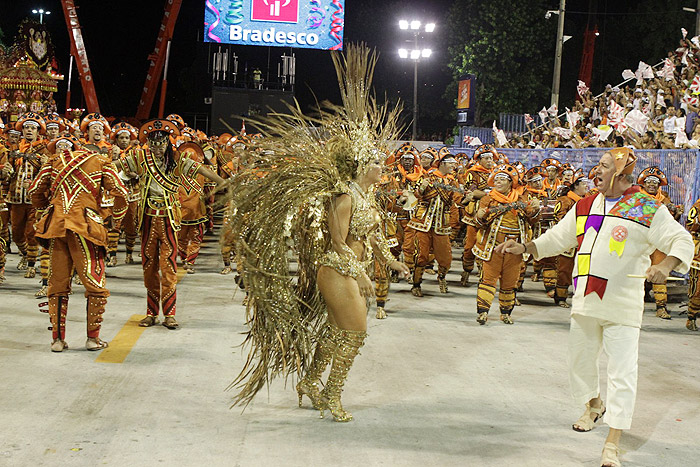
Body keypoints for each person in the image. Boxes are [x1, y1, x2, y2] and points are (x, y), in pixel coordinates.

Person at [227, 44, 409, 422]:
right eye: (376, 162)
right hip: (337, 269)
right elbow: (340, 242)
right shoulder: (344, 198)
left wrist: (392, 263)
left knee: (334, 331)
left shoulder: (367, 197)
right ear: (361, 166)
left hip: (351, 270)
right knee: (354, 333)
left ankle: (310, 383)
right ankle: (331, 396)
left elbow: (371, 238)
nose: (383, 166)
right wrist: (360, 274)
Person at [496, 148, 693, 467]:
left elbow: (682, 241)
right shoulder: (585, 205)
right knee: (580, 362)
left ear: (620, 173)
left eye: (601, 166)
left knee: (622, 373)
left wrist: (667, 266)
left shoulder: (645, 207)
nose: (593, 172)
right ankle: (593, 405)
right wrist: (526, 247)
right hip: (585, 300)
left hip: (623, 307)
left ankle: (613, 443)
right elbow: (558, 238)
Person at [119, 119, 224, 329]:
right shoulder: (140, 157)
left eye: (161, 144)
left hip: (168, 219)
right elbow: (116, 167)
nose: (157, 148)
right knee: (149, 267)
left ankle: (169, 314)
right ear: (148, 143)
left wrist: (225, 182)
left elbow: (203, 170)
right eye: (153, 144)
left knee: (168, 266)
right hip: (147, 218)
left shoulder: (178, 160)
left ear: (168, 143)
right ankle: (151, 313)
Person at [29, 135, 128, 352]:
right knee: (95, 283)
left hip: (57, 227)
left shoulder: (53, 161)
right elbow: (121, 193)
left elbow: (34, 190)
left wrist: (48, 209)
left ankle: (57, 340)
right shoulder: (102, 162)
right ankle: (92, 339)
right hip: (86, 228)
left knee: (57, 284)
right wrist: (111, 217)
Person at [472, 164, 539, 324]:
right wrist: (479, 216)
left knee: (510, 281)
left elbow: (532, 220)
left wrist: (536, 209)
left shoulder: (522, 199)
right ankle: (483, 312)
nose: (498, 182)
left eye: (502, 179)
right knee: (488, 279)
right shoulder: (487, 199)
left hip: (514, 248)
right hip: (493, 247)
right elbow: (478, 224)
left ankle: (506, 312)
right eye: (496, 179)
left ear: (511, 182)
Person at [408, 152, 459, 296]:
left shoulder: (452, 182)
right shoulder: (428, 177)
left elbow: (458, 199)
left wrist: (467, 199)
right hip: (423, 222)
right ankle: (416, 284)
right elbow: (416, 194)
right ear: (442, 164)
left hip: (441, 224)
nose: (453, 166)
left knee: (445, 257)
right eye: (451, 164)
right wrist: (422, 187)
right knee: (421, 255)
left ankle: (442, 277)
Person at [637, 166, 683, 319]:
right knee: (637, 270)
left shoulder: (664, 198)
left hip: (658, 242)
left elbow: (671, 222)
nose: (652, 184)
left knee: (659, 272)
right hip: (640, 240)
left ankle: (661, 306)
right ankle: (635, 301)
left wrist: (676, 214)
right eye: (649, 181)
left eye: (655, 182)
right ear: (643, 183)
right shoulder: (636, 197)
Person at [459, 144, 495, 286]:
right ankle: (467, 271)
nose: (489, 161)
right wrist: (492, 194)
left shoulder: (497, 173)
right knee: (470, 246)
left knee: (486, 245)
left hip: (491, 216)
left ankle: (483, 276)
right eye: (486, 158)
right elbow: (473, 192)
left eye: (491, 158)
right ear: (479, 160)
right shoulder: (472, 173)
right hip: (474, 215)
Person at [553, 172, 589, 307]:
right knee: (565, 269)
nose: (586, 186)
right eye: (584, 183)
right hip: (569, 240)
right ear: (575, 186)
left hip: (584, 240)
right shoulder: (565, 200)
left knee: (583, 270)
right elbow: (560, 219)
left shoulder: (588, 200)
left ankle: (580, 297)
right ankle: (560, 297)